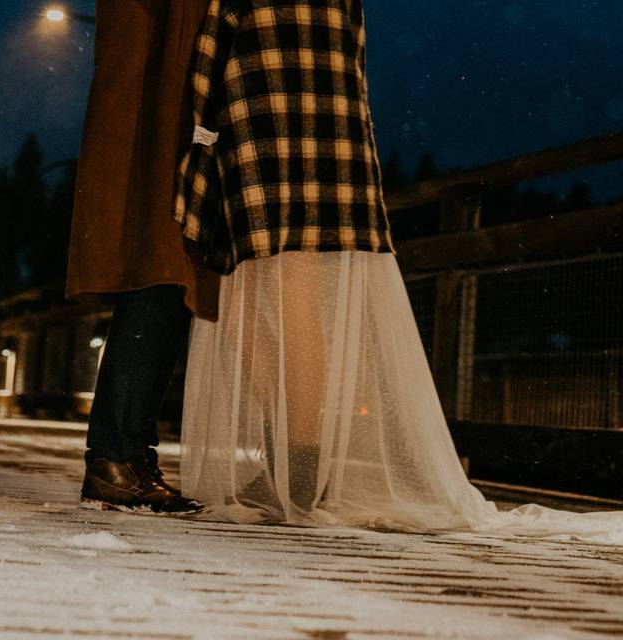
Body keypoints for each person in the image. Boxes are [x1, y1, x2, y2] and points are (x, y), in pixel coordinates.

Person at [176, 0, 623, 543]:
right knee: (246, 298)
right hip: (288, 128)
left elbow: (212, 60)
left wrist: (198, 138)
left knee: (289, 293)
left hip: (283, 128)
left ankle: (300, 470)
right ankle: (295, 461)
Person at [65, 1, 219, 514]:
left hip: (166, 121)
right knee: (162, 276)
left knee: (167, 280)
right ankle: (116, 458)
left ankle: (125, 457)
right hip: (169, 124)